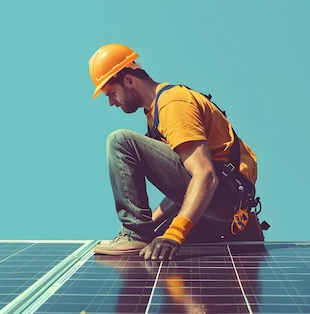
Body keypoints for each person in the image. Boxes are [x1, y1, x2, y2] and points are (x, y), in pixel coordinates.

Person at [89, 43, 265, 261]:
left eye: (111, 93)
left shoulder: (172, 104)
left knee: (121, 141)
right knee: (156, 245)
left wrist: (175, 233)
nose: (110, 102)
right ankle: (142, 233)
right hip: (225, 208)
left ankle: (134, 232)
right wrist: (153, 226)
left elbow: (205, 175)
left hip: (225, 197)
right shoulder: (153, 115)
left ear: (129, 80)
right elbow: (186, 187)